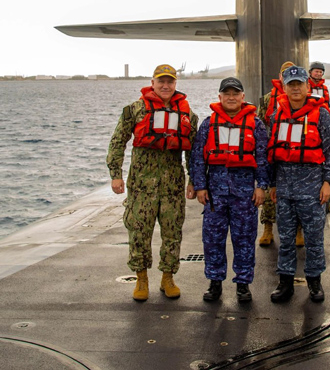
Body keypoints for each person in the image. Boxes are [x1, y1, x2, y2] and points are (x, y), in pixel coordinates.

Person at [107, 64, 198, 301]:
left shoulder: (187, 114)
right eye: (161, 82)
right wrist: (115, 173)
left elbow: (194, 152)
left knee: (172, 233)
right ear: (153, 82)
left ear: (176, 84)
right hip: (141, 186)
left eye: (170, 82)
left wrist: (194, 180)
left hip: (173, 186)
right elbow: (118, 141)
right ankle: (141, 279)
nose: (166, 86)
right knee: (138, 232)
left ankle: (168, 277)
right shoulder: (134, 110)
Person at [189, 77, 270, 302]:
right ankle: (215, 282)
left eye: (236, 93)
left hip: (244, 194)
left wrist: (261, 186)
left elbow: (263, 158)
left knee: (244, 238)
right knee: (212, 239)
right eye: (227, 94)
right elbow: (197, 157)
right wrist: (200, 187)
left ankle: (243, 284)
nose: (231, 97)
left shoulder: (256, 124)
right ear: (220, 97)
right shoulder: (208, 123)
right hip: (215, 194)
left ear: (243, 97)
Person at [268, 66, 330, 303]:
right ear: (285, 87)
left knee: (314, 239)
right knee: (286, 239)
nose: (296, 88)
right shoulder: (276, 116)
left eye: (300, 83)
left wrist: (327, 182)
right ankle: (285, 282)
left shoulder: (321, 115)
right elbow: (270, 154)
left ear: (308, 87)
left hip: (312, 187)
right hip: (285, 188)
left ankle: (315, 283)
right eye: (291, 84)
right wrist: (272, 184)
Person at [257, 60, 299, 246]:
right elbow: (258, 124)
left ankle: (298, 230)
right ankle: (267, 228)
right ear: (280, 76)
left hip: (295, 154)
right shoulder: (267, 99)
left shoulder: (302, 98)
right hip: (271, 151)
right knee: (268, 193)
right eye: (284, 73)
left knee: (296, 193)